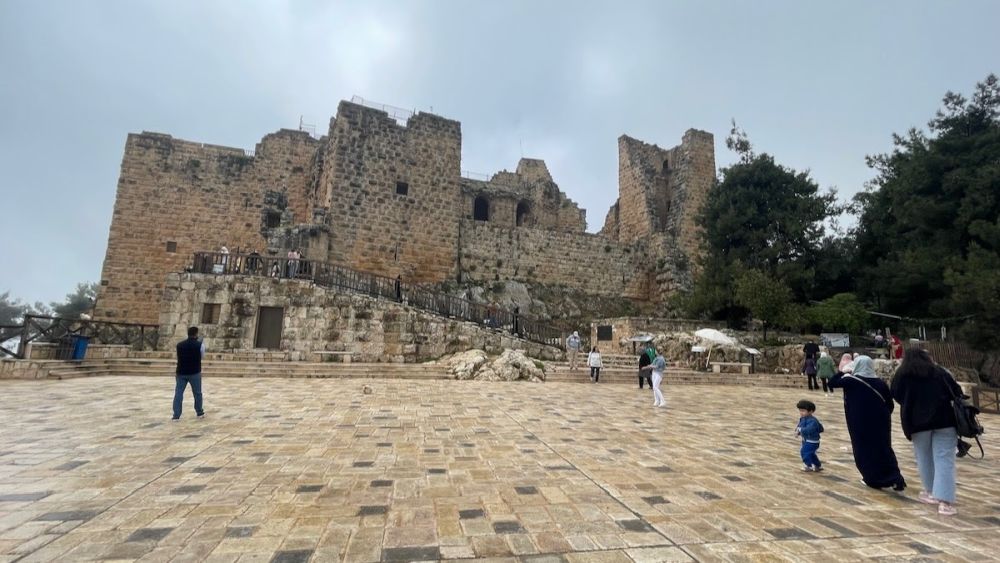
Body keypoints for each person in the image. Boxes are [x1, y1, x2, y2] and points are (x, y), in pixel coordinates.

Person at [891, 348, 962, 516]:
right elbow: (956, 391)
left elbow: (896, 394)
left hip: (916, 422)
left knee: (923, 457)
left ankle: (930, 492)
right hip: (944, 420)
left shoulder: (903, 374)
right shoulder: (939, 372)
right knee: (944, 459)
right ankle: (945, 502)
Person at [829, 356, 906, 491]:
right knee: (884, 448)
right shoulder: (880, 383)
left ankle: (872, 478)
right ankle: (895, 477)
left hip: (860, 422)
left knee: (864, 449)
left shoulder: (850, 381)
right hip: (881, 421)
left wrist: (843, 372)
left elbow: (832, 383)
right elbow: (890, 404)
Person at [173, 326, 206, 420]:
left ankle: (176, 415)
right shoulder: (200, 345)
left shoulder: (179, 345)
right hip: (194, 372)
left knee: (178, 393)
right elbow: (202, 356)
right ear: (196, 334)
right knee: (197, 393)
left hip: (181, 372)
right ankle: (199, 412)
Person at [795, 400, 824, 472]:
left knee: (804, 452)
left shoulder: (813, 421)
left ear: (810, 411)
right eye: (800, 410)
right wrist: (798, 432)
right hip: (806, 440)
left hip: (812, 441)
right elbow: (800, 426)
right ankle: (817, 465)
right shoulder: (803, 418)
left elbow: (809, 429)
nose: (801, 413)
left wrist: (801, 430)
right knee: (811, 453)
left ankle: (809, 466)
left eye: (803, 411)